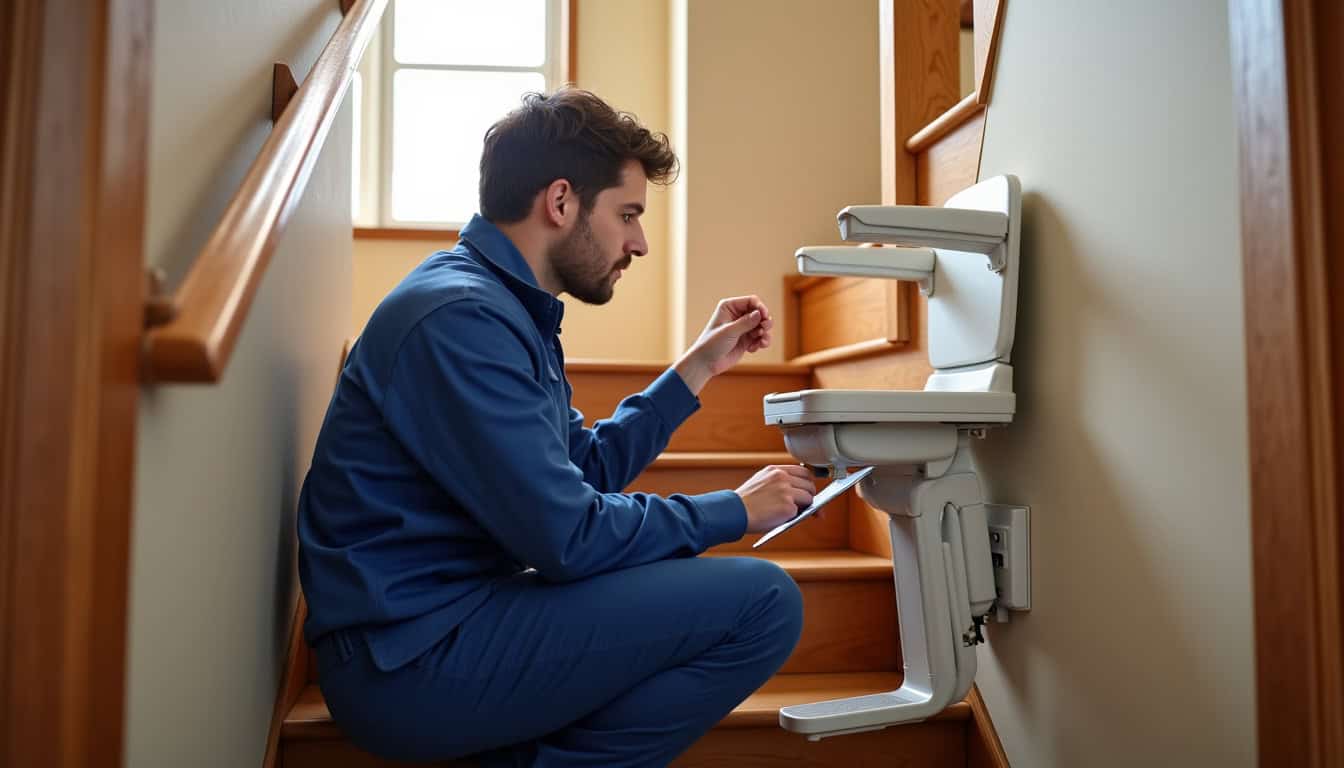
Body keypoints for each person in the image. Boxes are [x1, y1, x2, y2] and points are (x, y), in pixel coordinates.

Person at [297, 88, 816, 767]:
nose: (641, 242)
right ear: (562, 201)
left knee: (725, 597)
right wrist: (733, 510)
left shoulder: (505, 309)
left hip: (450, 625)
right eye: (627, 214)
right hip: (407, 663)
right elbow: (568, 535)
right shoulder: (461, 319)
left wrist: (695, 369)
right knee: (764, 602)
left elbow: (582, 469)